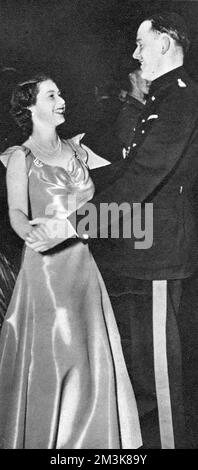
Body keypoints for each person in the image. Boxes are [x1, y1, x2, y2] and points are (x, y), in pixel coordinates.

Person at [69, 12, 198, 448]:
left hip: (158, 252)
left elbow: (146, 175)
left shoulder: (180, 99)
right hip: (140, 250)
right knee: (142, 367)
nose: (135, 53)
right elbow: (126, 167)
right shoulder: (162, 99)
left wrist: (80, 222)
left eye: (142, 45)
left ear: (165, 44)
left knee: (159, 375)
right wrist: (71, 187)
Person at [0, 75, 141, 449]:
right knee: (58, 358)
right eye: (52, 95)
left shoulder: (80, 150)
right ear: (30, 107)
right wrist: (27, 232)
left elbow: (127, 183)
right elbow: (16, 210)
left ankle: (89, 445)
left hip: (84, 268)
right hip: (45, 270)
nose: (62, 99)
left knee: (89, 360)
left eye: (60, 93)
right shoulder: (20, 157)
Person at [115, 68, 151, 158]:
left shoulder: (150, 103)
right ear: (132, 78)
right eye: (145, 77)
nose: (149, 81)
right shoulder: (128, 113)